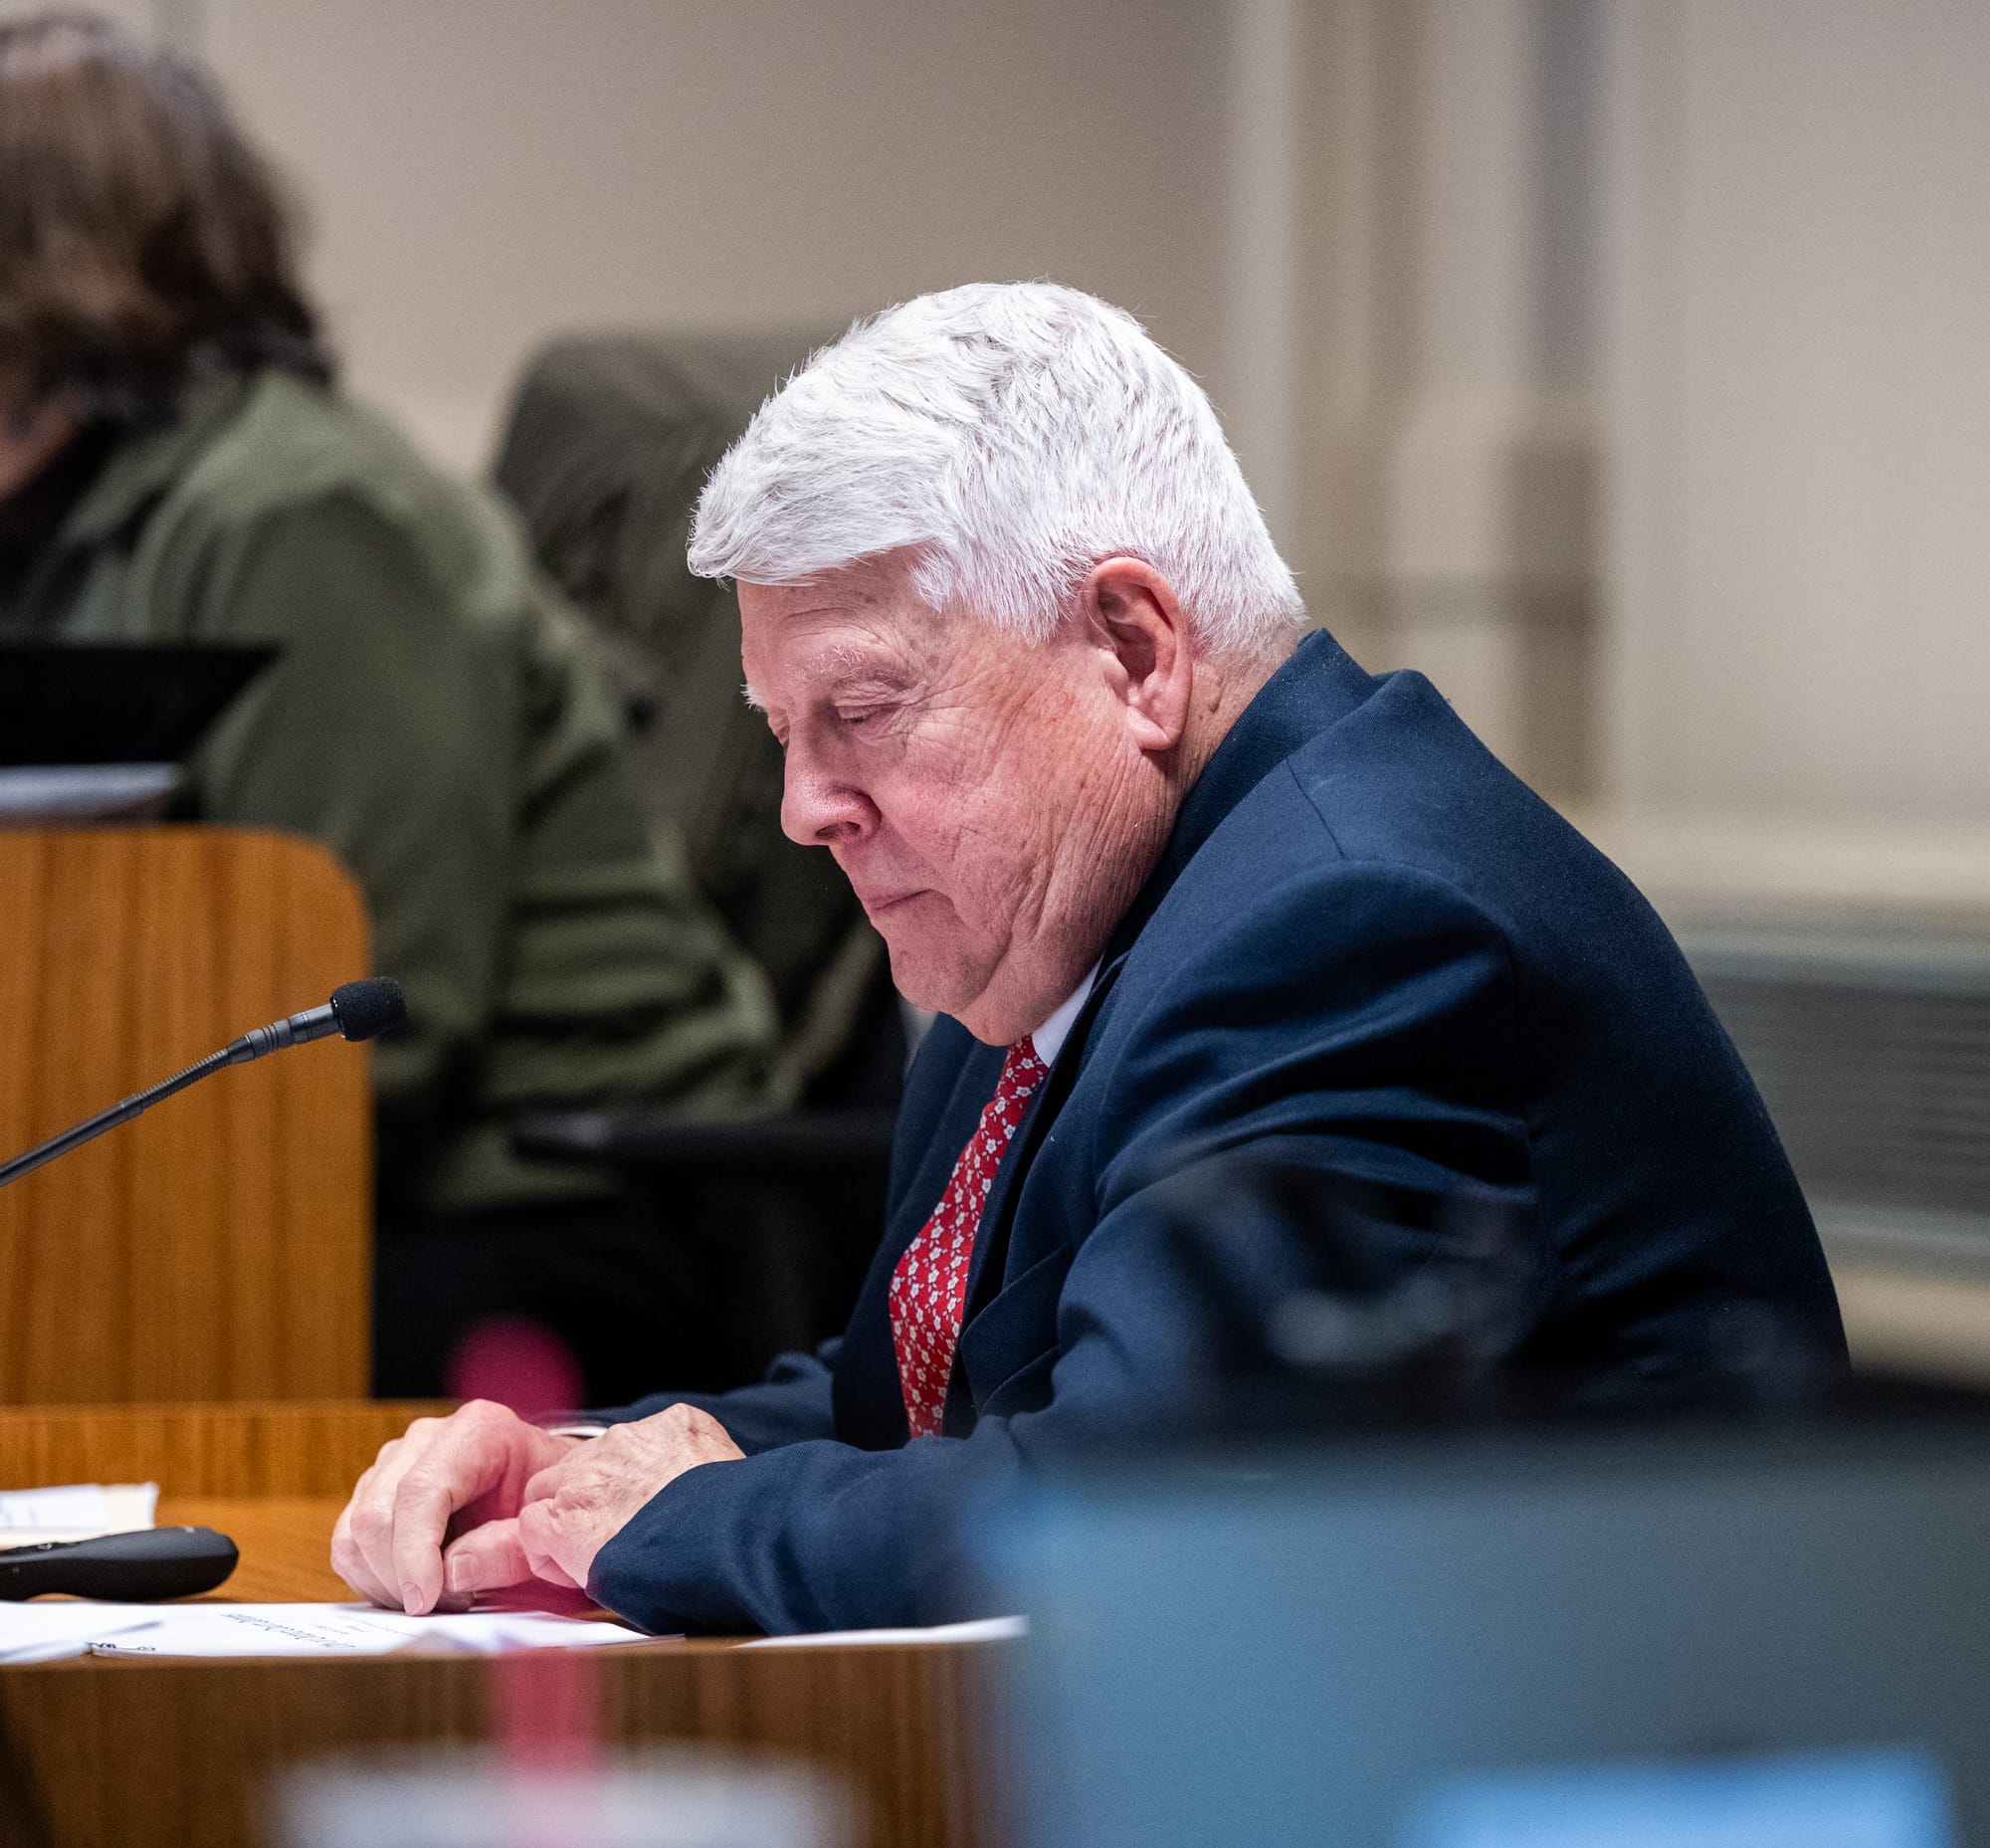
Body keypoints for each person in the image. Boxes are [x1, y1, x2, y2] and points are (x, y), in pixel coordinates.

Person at [331, 283, 1846, 1634]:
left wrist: (676, 1528)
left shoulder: (1356, 925)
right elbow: (908, 1420)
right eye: (781, 735)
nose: (803, 810)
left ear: (1133, 647)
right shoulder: (1086, 918)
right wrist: (583, 1464)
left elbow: (1141, 1502)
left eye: (859, 709)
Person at [0, 14, 777, 1400]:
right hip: (328, 1185)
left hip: (546, 1197)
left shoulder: (308, 514)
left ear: (50, 279)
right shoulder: (69, 529)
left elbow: (374, 1015)